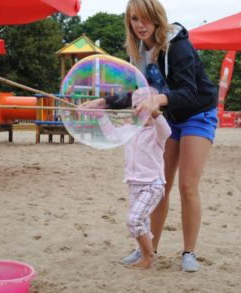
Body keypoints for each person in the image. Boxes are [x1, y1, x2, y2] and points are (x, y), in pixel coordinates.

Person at [81, 0, 218, 272]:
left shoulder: (176, 46)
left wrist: (158, 100)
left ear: (156, 18)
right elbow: (138, 94)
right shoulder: (139, 52)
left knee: (187, 186)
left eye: (144, 18)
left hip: (197, 113)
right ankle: (148, 249)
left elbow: (190, 92)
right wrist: (105, 103)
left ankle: (189, 253)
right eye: (133, 19)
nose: (139, 25)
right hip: (165, 116)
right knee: (159, 187)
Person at [98, 88, 171, 269]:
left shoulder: (156, 132)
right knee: (142, 221)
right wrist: (100, 115)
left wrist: (156, 114)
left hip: (153, 184)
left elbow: (167, 131)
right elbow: (110, 134)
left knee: (133, 219)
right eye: (137, 107)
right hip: (133, 184)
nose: (141, 111)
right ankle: (144, 252)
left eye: (145, 107)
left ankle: (148, 256)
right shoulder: (129, 130)